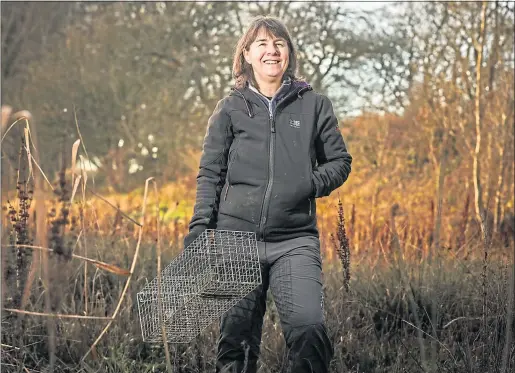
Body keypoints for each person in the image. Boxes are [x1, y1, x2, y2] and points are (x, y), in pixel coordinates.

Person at [184, 15, 352, 373]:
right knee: (237, 339)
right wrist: (200, 227)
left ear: (288, 53)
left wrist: (306, 183)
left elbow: (340, 162)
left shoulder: (314, 105)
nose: (271, 51)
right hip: (236, 238)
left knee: (309, 330)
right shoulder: (230, 108)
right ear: (247, 54)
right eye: (261, 44)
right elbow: (210, 172)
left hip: (294, 239)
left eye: (279, 43)